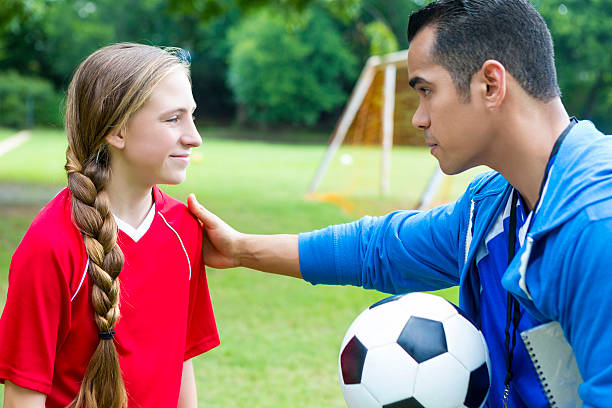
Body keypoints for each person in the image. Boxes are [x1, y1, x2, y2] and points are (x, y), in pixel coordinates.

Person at [187, 1, 612, 407]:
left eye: (426, 91)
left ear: (490, 84)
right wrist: (242, 249)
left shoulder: (597, 225)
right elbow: (380, 250)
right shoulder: (493, 207)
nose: (418, 118)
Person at [0, 43, 219, 408]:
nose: (194, 137)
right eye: (173, 119)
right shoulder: (50, 244)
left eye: (192, 116)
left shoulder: (184, 231)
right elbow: (23, 393)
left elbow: (181, 363)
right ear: (117, 132)